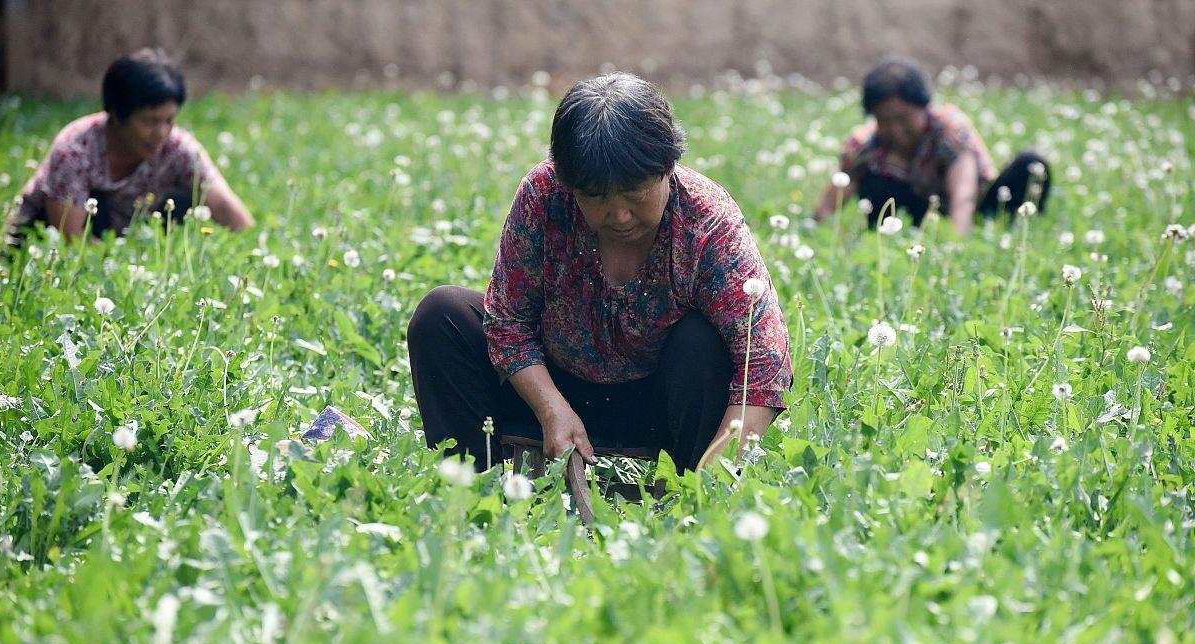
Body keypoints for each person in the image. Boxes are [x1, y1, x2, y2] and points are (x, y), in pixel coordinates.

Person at [408, 73, 793, 473]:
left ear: (667, 166)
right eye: (596, 197)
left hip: (659, 405)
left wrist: (714, 478)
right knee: (443, 315)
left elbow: (765, 363)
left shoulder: (706, 221)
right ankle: (468, 491)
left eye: (635, 193)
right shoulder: (544, 196)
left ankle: (685, 490)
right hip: (555, 385)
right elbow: (508, 321)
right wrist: (550, 406)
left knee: (703, 342)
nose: (621, 215)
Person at [5, 48, 252, 245]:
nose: (161, 133)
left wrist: (256, 253)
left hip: (119, 242)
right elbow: (71, 237)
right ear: (116, 114)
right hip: (42, 247)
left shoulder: (177, 147)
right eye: (149, 121)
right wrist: (128, 273)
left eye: (169, 120)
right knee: (96, 209)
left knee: (185, 203)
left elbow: (223, 204)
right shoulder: (76, 149)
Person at [813, 56, 1051, 236]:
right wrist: (842, 242)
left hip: (977, 209)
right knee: (875, 185)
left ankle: (1018, 232)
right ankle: (890, 241)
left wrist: (955, 248)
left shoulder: (950, 130)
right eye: (884, 120)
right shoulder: (865, 146)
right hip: (912, 220)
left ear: (924, 106)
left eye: (903, 118)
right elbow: (823, 211)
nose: (895, 129)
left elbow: (963, 196)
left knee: (1031, 165)